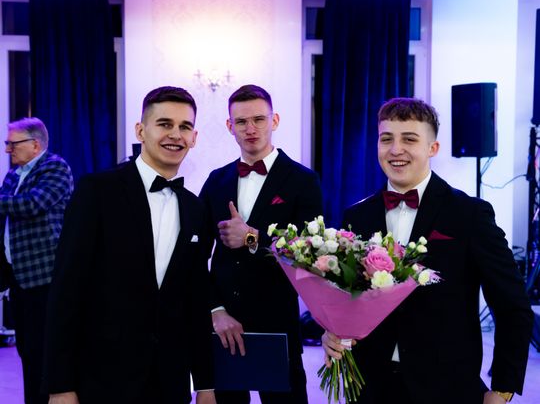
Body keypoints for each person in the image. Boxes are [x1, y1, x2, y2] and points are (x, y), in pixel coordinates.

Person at [322, 97, 534, 404]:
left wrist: (502, 389)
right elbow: (345, 299)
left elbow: (512, 306)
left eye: (409, 139)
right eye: (386, 139)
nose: (396, 149)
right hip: (371, 387)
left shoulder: (470, 214)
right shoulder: (356, 216)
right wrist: (331, 332)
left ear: (432, 148)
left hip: (447, 388)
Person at [43, 86, 216, 404]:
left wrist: (206, 384)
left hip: (169, 381)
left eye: (184, 127)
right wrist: (60, 384)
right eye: (164, 124)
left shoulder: (195, 209)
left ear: (194, 138)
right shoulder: (97, 191)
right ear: (141, 131)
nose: (175, 134)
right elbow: (66, 291)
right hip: (102, 378)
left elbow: (194, 301)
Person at [199, 84, 323, 403]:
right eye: (241, 121)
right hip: (224, 326)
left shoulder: (303, 180)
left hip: (278, 323)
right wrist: (215, 310)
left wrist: (251, 237)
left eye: (258, 119)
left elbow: (311, 252)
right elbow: (194, 257)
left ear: (274, 120)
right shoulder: (216, 180)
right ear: (230, 126)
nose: (250, 128)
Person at [0, 117, 73, 404]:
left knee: (46, 352)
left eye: (12, 144)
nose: (8, 149)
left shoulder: (55, 167)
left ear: (35, 144)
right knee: (27, 352)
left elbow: (33, 203)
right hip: (19, 277)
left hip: (46, 276)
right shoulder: (13, 175)